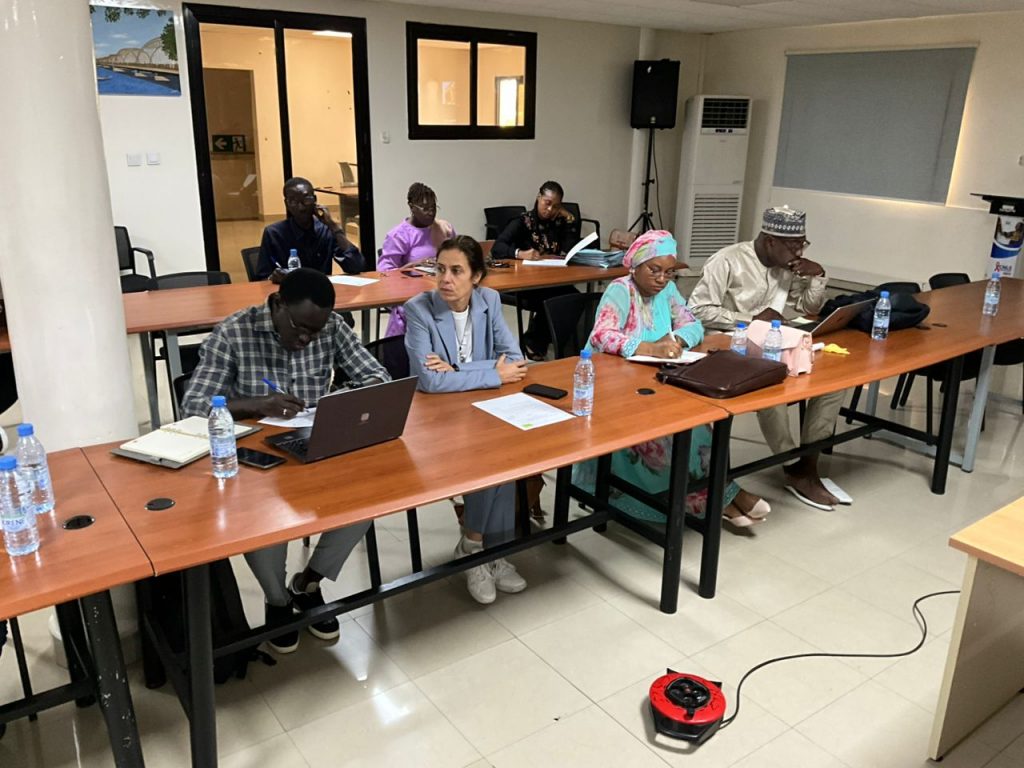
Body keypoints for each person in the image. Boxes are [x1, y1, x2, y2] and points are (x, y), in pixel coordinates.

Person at [182, 268, 389, 653]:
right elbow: (192, 406)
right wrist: (257, 405)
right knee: (263, 522)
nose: (307, 339)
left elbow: (377, 376)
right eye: (300, 329)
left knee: (371, 495)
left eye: (315, 332)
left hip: (314, 444)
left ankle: (307, 583)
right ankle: (277, 601)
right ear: (278, 304)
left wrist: (342, 399)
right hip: (257, 458)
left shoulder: (330, 327)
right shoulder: (234, 332)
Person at [576, 230, 770, 531]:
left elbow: (693, 324)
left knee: (699, 425)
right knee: (666, 435)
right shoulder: (620, 290)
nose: (661, 279)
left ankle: (720, 496)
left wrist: (676, 340)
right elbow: (602, 335)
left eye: (668, 273)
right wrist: (649, 348)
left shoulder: (667, 292)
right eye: (654, 270)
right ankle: (720, 499)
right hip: (614, 391)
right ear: (635, 265)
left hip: (654, 382)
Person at [688, 206, 847, 510]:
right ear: (770, 240)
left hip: (772, 342)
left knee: (833, 382)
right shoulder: (727, 260)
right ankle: (791, 466)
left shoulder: (787, 264)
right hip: (728, 345)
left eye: (802, 244)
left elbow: (808, 308)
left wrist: (817, 276)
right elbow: (697, 309)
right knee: (773, 387)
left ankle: (808, 461)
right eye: (794, 244)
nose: (799, 251)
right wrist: (750, 318)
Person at [403, 235, 530, 603]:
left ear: (476, 277)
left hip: (482, 406)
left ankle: (493, 552)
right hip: (436, 419)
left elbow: (516, 361)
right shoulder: (418, 310)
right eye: (440, 269)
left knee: (507, 456)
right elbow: (429, 381)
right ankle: (475, 549)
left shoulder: (489, 300)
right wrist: (492, 373)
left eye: (456, 271)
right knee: (488, 459)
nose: (445, 279)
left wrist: (458, 368)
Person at [491, 181, 579, 360]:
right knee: (555, 300)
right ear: (538, 198)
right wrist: (520, 253)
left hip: (552, 279)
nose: (550, 209)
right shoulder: (523, 221)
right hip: (525, 282)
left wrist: (570, 219)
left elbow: (569, 248)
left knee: (574, 298)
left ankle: (552, 344)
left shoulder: (559, 223)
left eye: (556, 206)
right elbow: (497, 248)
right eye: (547, 203)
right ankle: (534, 341)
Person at [378, 182, 457, 336]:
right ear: (412, 207)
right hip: (413, 297)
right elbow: (384, 274)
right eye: (425, 208)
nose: (431, 213)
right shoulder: (399, 235)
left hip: (442, 291)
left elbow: (457, 254)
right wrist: (413, 266)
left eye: (434, 208)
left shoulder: (444, 229)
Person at [255, 177, 364, 282]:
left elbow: (356, 266)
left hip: (320, 291)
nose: (301, 207)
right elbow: (262, 278)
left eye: (306, 200)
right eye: (293, 201)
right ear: (286, 204)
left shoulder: (325, 230)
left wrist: (333, 226)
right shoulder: (274, 233)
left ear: (315, 200)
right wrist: (274, 278)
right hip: (289, 292)